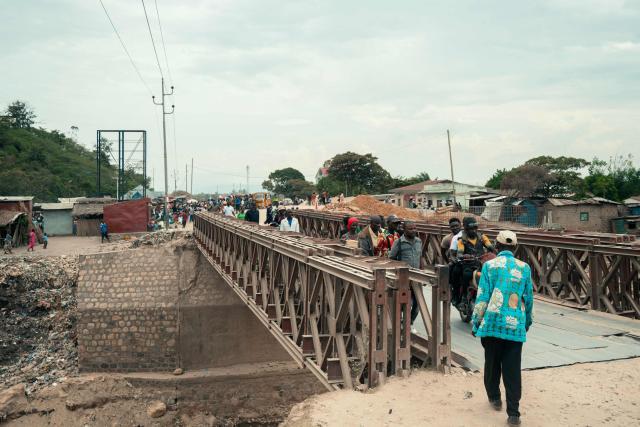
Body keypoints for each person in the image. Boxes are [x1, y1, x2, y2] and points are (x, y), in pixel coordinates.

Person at [472, 230, 533, 426]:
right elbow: (529, 298)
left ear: (496, 247)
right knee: (512, 368)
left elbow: (482, 296)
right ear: (515, 248)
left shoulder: (489, 266)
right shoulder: (525, 268)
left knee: (492, 363)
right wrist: (527, 322)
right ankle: (514, 413)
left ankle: (495, 399)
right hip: (515, 326)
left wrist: (476, 322)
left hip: (492, 324)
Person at [452, 216, 494, 306]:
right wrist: (464, 255)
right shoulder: (461, 240)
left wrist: (495, 251)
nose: (474, 230)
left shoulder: (482, 237)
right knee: (466, 274)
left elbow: (490, 247)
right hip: (468, 263)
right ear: (466, 229)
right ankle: (463, 297)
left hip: (482, 263)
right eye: (471, 229)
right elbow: (459, 253)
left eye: (475, 228)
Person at [388, 221, 424, 327]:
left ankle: (409, 322)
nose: (413, 231)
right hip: (404, 278)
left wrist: (423, 273)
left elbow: (420, 257)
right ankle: (401, 324)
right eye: (410, 229)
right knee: (405, 302)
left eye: (415, 228)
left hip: (416, 277)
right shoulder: (398, 242)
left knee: (418, 305)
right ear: (404, 229)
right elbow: (391, 258)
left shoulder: (418, 241)